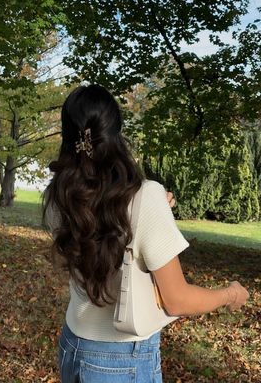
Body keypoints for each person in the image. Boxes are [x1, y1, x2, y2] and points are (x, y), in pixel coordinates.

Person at [42, 84, 249, 383]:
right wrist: (230, 294)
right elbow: (177, 300)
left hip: (73, 345)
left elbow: (97, 226)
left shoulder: (57, 195)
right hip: (121, 360)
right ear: (115, 132)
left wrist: (151, 208)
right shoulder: (144, 197)